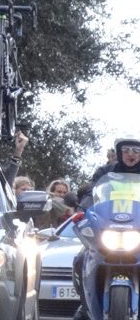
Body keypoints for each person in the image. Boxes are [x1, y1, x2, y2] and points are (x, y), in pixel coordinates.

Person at [73, 136, 140, 319]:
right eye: (126, 150)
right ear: (119, 152)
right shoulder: (105, 172)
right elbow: (91, 192)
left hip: (137, 228)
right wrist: (82, 209)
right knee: (81, 257)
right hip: (109, 228)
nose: (131, 154)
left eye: (136, 150)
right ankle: (85, 305)